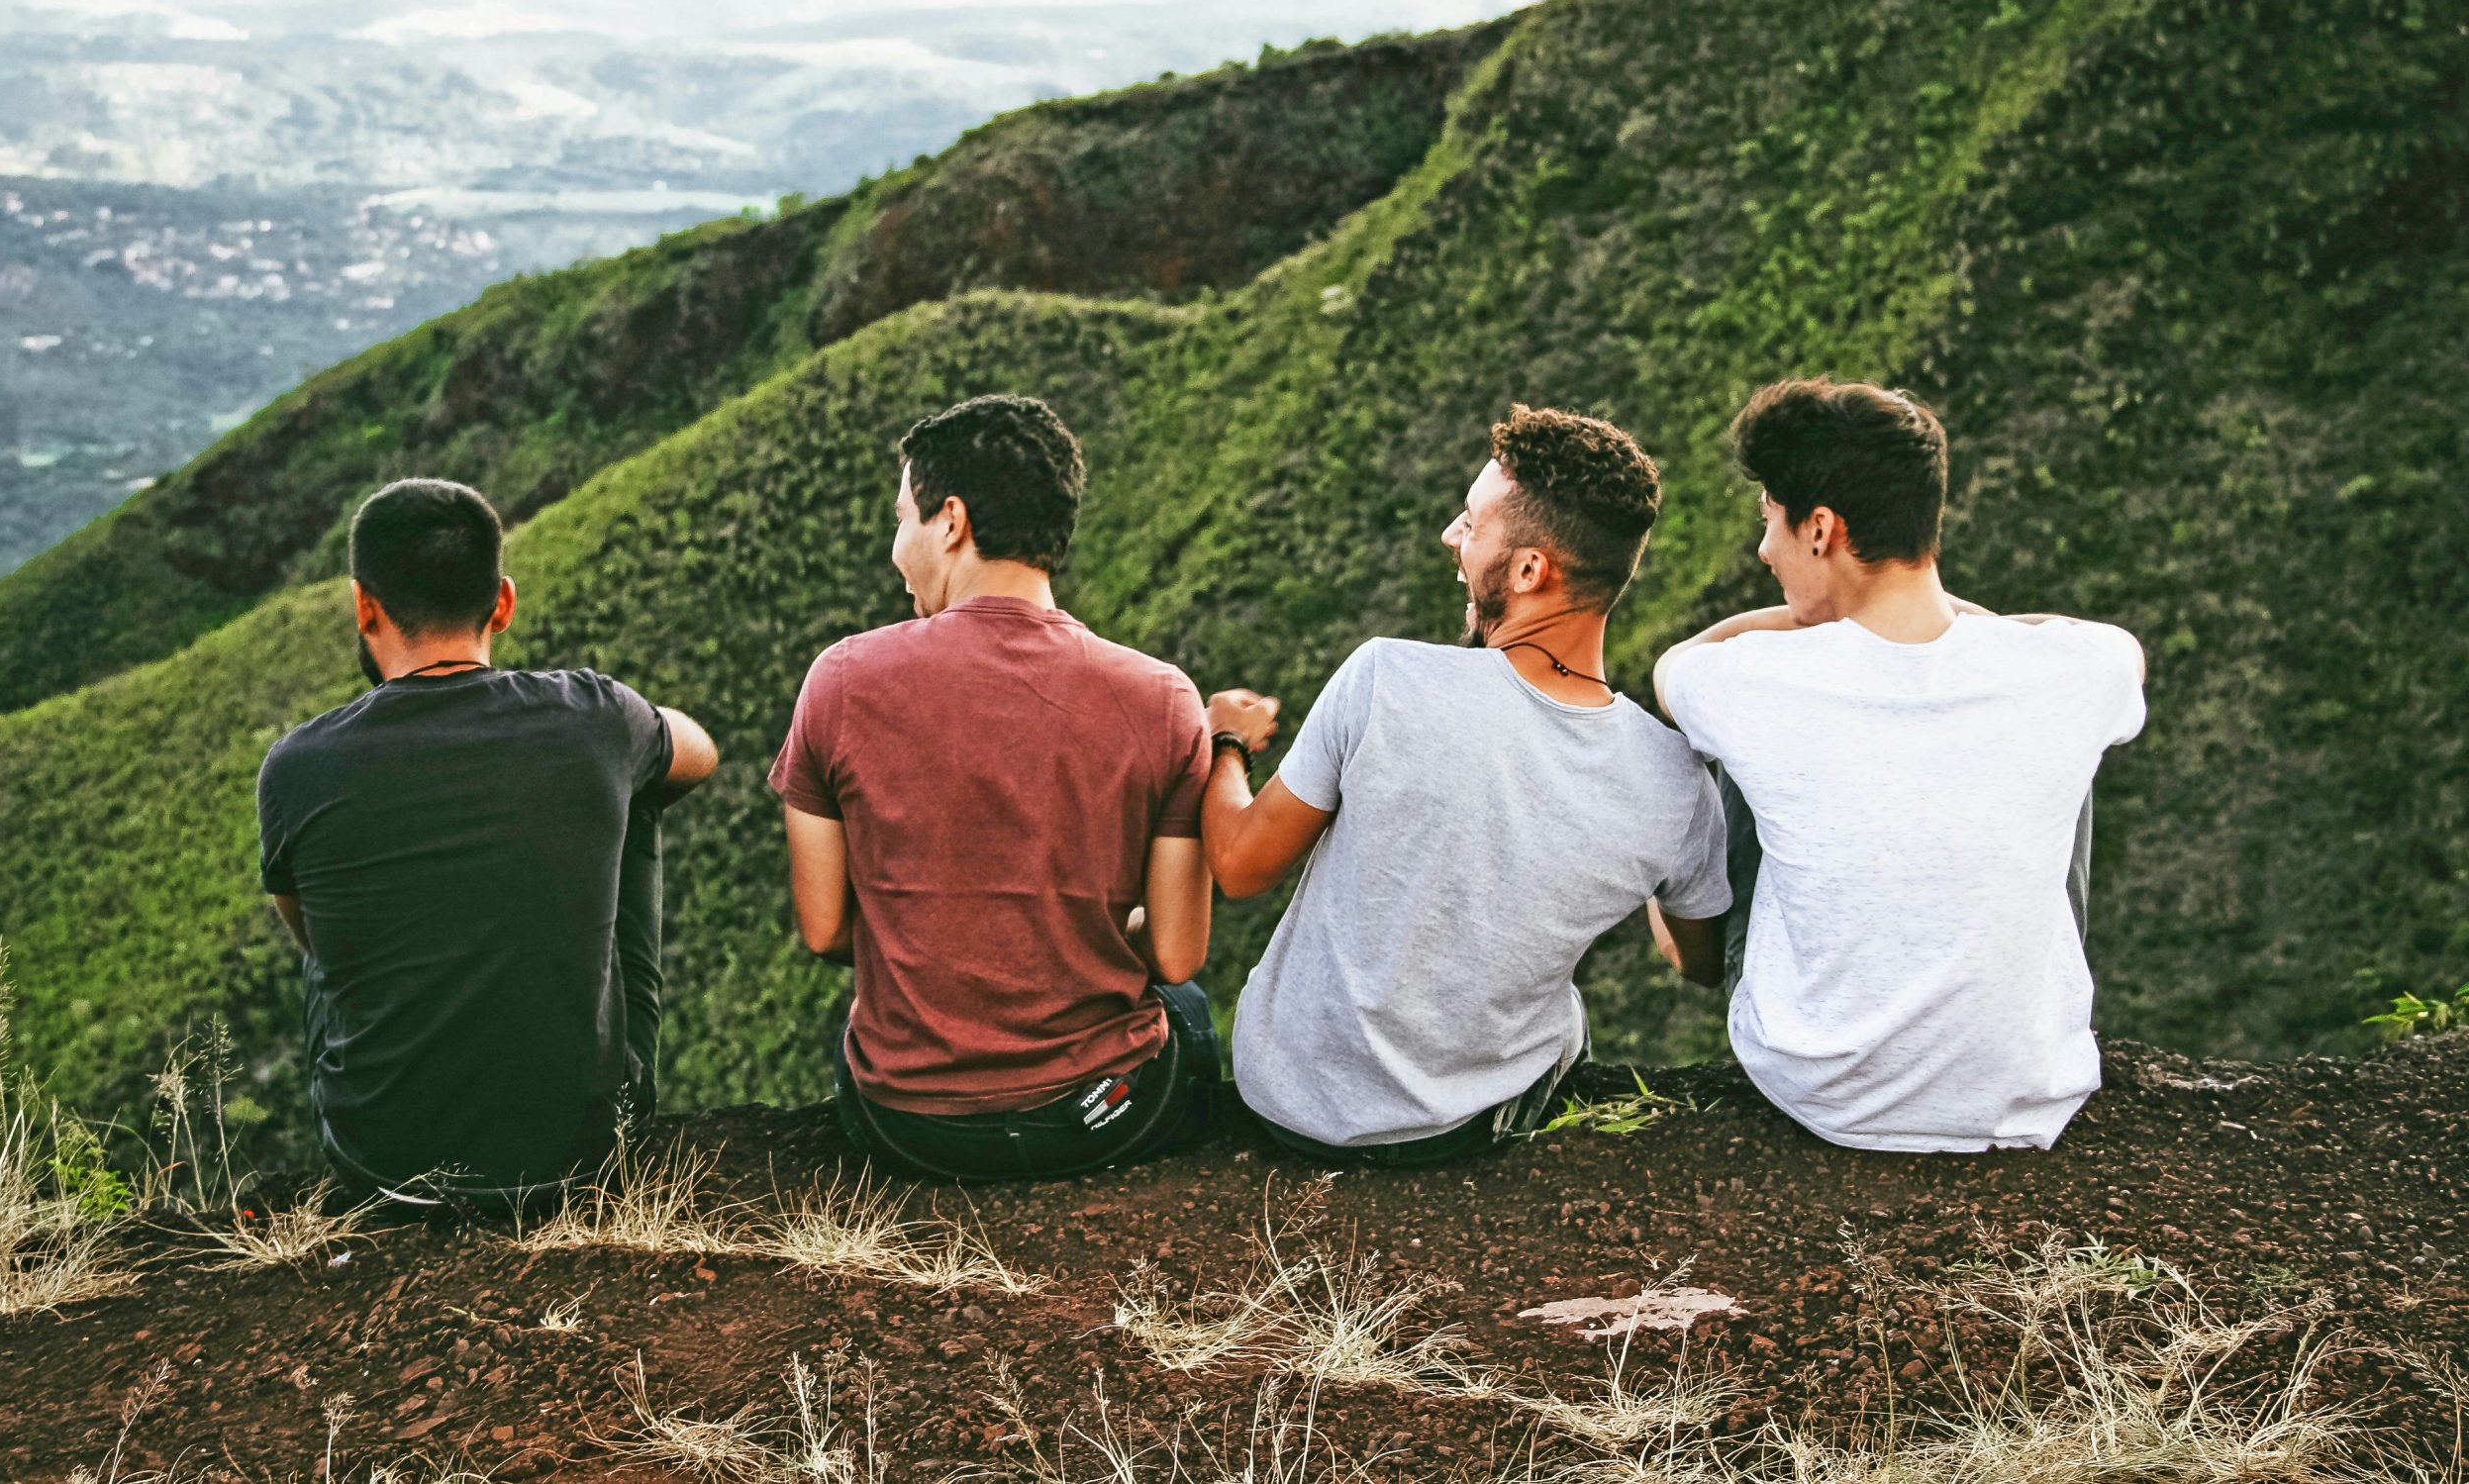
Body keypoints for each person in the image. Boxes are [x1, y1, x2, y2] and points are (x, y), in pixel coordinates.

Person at [1204, 405, 1733, 1166]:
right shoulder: (1675, 781)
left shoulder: (1384, 677)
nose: (1451, 537)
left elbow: (1240, 865)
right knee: (1566, 1016)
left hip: (1286, 1103)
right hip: (1459, 1131)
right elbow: (1698, 963)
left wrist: (1225, 742)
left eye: (1471, 523)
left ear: (1529, 570)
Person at [1650, 378, 2146, 1153]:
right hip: (2023, 1093)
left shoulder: (1751, 678)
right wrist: (1964, 625)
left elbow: (1676, 667)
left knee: (1733, 752)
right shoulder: (2071, 670)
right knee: (2060, 745)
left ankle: (1700, 960)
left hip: (1822, 1088)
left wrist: (1804, 621)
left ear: (1821, 529)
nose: (1762, 550)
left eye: (1770, 522)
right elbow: (2119, 648)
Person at [774, 394, 1235, 1181]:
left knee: (852, 1033)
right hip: (1100, 1117)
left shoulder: (841, 680)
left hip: (912, 1128)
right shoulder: (1163, 698)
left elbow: (825, 932)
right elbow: (1176, 951)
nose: (897, 549)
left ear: (950, 520)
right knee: (1186, 1014)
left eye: (901, 521)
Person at [257, 478, 720, 1208]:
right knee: (639, 790)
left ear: (363, 605)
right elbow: (700, 753)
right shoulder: (594, 716)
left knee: (332, 917)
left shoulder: (297, 765)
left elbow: (315, 941)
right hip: (583, 1154)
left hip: (381, 1160)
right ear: (502, 603)